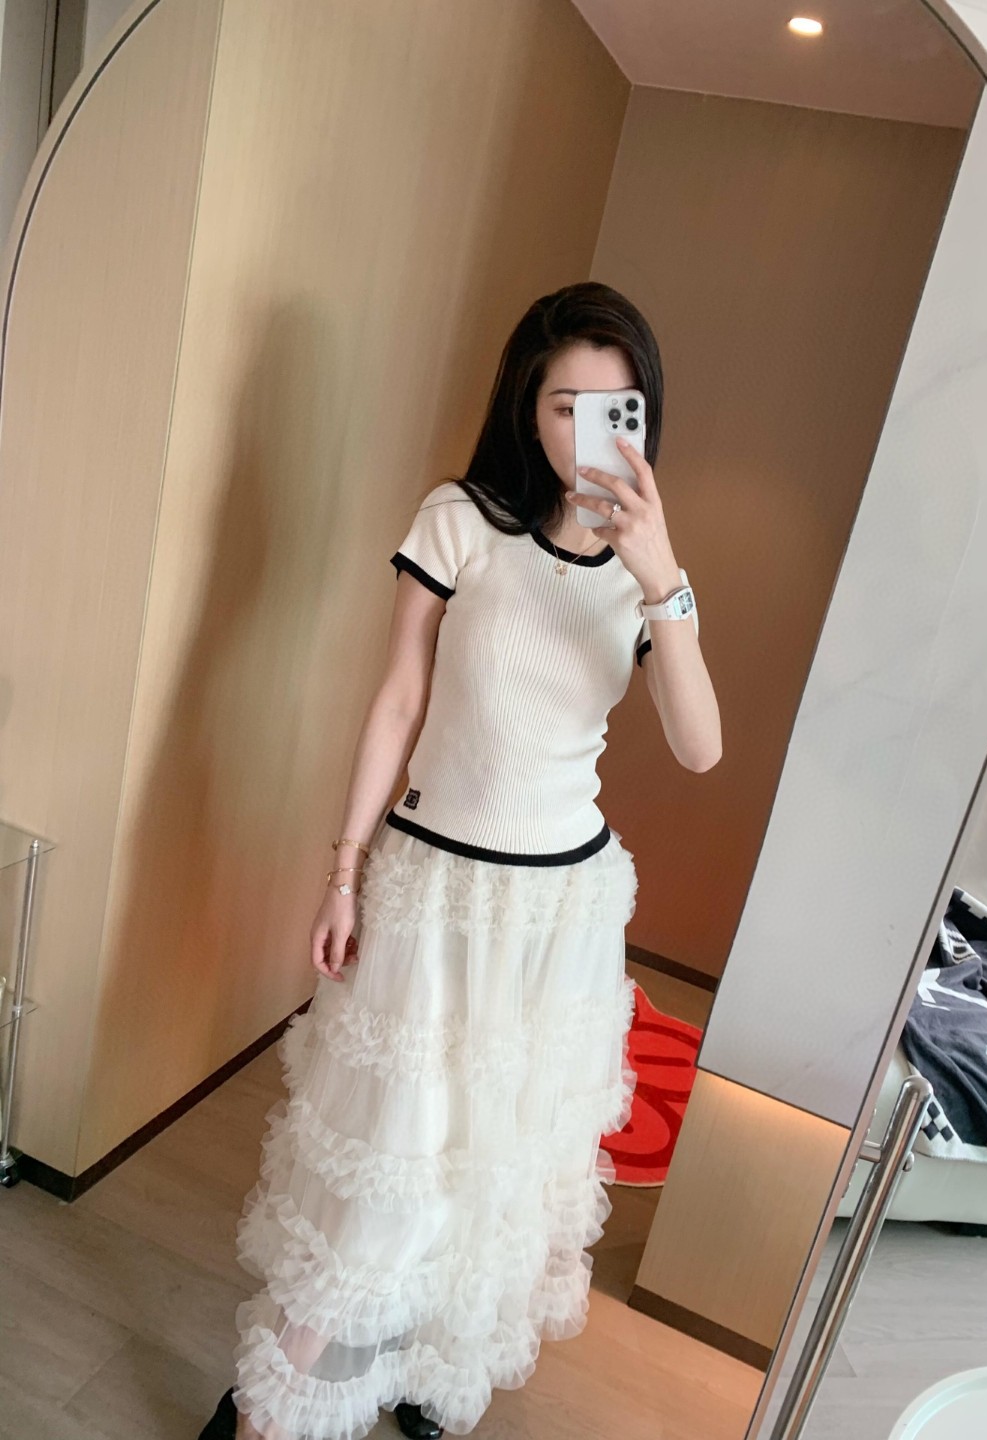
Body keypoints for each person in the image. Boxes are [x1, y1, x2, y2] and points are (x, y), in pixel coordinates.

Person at [198, 280, 723, 1440]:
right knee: (395, 1162)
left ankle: (429, 1369)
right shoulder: (460, 521)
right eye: (564, 405)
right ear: (527, 409)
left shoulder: (652, 576)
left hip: (561, 916)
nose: (587, 432)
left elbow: (700, 747)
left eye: (616, 408)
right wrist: (343, 872)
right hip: (435, 891)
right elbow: (398, 701)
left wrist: (662, 578)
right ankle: (278, 1403)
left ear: (644, 417)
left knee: (501, 1168)